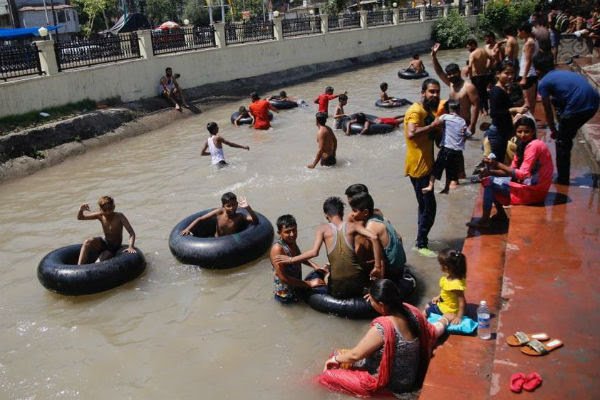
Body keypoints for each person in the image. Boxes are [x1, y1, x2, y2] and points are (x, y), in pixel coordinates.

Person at [318, 279, 448, 397]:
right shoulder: (412, 312)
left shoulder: (383, 328)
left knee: (326, 375)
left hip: (390, 383)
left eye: (372, 300)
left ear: (381, 304)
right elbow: (432, 331)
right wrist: (445, 320)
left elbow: (355, 355)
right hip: (410, 377)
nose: (370, 302)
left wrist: (335, 359)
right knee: (337, 356)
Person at [274, 197, 384, 299]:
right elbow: (374, 237)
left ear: (326, 216)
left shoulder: (322, 229)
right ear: (342, 212)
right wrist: (377, 266)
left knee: (327, 274)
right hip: (358, 285)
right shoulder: (354, 226)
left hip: (337, 289)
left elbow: (314, 252)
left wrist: (291, 259)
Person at [468, 117, 553, 228]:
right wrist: (490, 172)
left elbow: (522, 174)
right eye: (519, 131)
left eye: (526, 131)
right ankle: (500, 214)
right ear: (515, 132)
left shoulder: (535, 145)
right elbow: (511, 171)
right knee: (488, 179)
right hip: (529, 185)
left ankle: (485, 220)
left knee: (489, 182)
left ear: (533, 131)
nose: (523, 135)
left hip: (534, 191)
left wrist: (497, 164)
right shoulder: (522, 145)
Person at [534, 53, 600, 185]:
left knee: (561, 142)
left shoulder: (544, 83)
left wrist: (553, 129)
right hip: (594, 102)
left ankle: (562, 179)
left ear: (537, 71)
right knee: (567, 131)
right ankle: (567, 135)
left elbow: (547, 110)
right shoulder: (561, 73)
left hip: (578, 106)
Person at [404, 78, 441, 257]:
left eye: (437, 92)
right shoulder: (415, 110)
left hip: (427, 165)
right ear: (423, 93)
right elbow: (411, 133)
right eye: (431, 91)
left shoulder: (430, 111)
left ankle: (421, 240)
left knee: (424, 206)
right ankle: (420, 244)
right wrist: (433, 126)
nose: (434, 95)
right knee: (429, 207)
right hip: (418, 168)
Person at [349, 192, 409, 286]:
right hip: (401, 265)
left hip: (392, 271)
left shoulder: (371, 227)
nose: (352, 214)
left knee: (359, 256)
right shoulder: (379, 216)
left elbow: (380, 261)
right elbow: (399, 238)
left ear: (365, 212)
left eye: (354, 211)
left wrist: (377, 286)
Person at [269, 214, 327, 303]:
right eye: (287, 232)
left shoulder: (291, 241)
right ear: (279, 233)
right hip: (285, 296)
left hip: (297, 288)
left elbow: (299, 257)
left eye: (294, 230)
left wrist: (315, 266)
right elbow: (283, 278)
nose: (292, 234)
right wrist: (310, 283)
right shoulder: (277, 249)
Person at [423, 101, 472, 194]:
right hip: (457, 151)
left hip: (446, 148)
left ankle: (430, 185)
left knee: (437, 167)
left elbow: (436, 123)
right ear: (459, 110)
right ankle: (446, 188)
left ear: (449, 110)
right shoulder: (462, 121)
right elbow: (468, 134)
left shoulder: (445, 117)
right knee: (450, 170)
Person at [486, 59, 527, 165]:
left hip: (503, 131)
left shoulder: (504, 89)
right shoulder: (496, 91)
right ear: (498, 74)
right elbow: (494, 113)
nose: (510, 76)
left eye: (512, 73)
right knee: (497, 162)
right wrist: (515, 109)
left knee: (500, 160)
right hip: (497, 132)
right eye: (506, 73)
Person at [76, 196, 136, 265]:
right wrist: (81, 210)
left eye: (110, 209)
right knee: (87, 242)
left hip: (114, 247)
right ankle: (78, 266)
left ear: (113, 207)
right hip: (105, 242)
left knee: (97, 263)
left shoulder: (119, 216)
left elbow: (131, 233)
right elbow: (80, 217)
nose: (108, 212)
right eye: (105, 210)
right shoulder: (100, 215)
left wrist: (131, 246)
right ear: (100, 209)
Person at [181, 192, 258, 236]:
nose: (232, 208)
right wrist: (188, 229)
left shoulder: (239, 216)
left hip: (231, 240)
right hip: (217, 239)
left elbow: (255, 221)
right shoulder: (219, 212)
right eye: (228, 206)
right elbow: (200, 219)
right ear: (223, 206)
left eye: (234, 204)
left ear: (237, 204)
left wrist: (248, 208)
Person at [424, 248, 467, 325]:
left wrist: (459, 317)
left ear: (446, 267)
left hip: (448, 309)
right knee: (428, 304)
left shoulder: (455, 285)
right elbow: (446, 293)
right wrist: (439, 297)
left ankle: (421, 326)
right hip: (445, 303)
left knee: (425, 311)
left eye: (440, 264)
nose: (440, 266)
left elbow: (462, 302)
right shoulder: (450, 277)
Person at [517, 22, 539, 116]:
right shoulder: (532, 40)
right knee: (530, 101)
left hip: (528, 74)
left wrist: (524, 77)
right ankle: (531, 120)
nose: (518, 35)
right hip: (530, 73)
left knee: (527, 102)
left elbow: (528, 61)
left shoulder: (529, 43)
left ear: (524, 31)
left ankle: (528, 122)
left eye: (518, 32)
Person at [465, 38, 492, 115]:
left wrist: (468, 74)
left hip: (476, 77)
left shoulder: (472, 54)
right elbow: (491, 58)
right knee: (484, 93)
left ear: (473, 45)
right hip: (484, 75)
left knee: (477, 95)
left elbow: (470, 66)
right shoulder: (484, 51)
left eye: (468, 47)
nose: (468, 50)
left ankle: (481, 111)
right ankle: (486, 110)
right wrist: (488, 67)